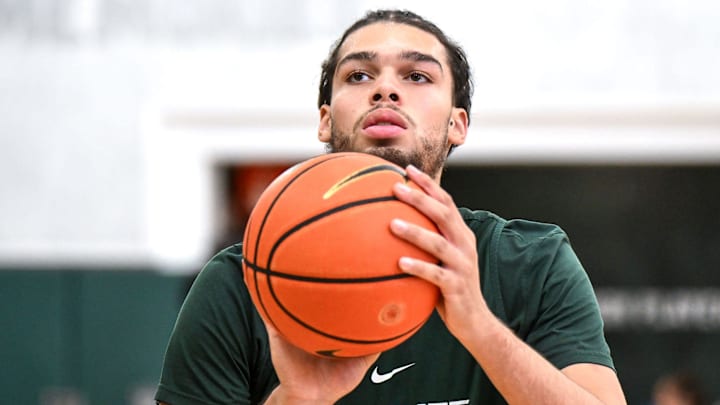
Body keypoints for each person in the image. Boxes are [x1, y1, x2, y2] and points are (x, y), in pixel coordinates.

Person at [155, 9, 627, 405]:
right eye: (358, 75)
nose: (385, 90)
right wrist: (297, 400)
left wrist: (480, 329)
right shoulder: (239, 284)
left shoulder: (531, 262)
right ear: (325, 120)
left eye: (417, 75)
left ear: (456, 125)